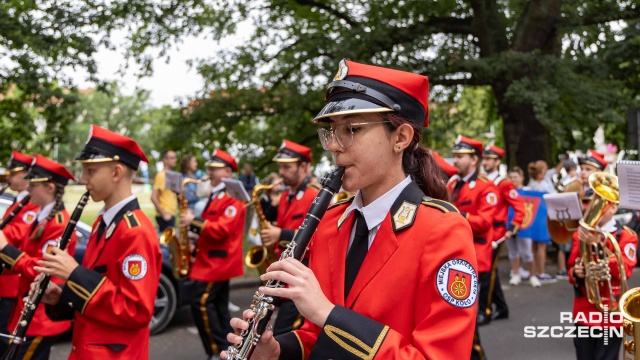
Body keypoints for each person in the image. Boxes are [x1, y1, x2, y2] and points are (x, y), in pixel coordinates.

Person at [224, 59, 478, 359]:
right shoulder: (332, 222)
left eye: (352, 129)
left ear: (401, 138)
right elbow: (317, 336)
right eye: (332, 131)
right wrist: (278, 351)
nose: (334, 145)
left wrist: (329, 314)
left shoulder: (442, 230)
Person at [32, 124, 162, 359]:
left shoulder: (135, 232)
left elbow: (136, 311)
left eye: (90, 171)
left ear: (116, 173)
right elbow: (102, 290)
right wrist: (63, 294)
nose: (83, 179)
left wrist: (75, 273)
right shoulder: (102, 222)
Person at [0, 154, 77, 359]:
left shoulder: (59, 224)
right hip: (27, 312)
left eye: (33, 184)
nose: (28, 188)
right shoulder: (42, 218)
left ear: (50, 188)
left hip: (40, 317)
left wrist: (5, 249)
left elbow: (42, 269)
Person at [180, 149, 246, 360]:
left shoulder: (232, 197)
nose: (209, 172)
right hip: (209, 257)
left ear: (227, 171)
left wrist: (193, 221)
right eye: (209, 168)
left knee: (200, 303)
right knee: (218, 306)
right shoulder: (215, 193)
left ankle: (216, 351)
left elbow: (222, 230)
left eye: (214, 169)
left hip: (218, 261)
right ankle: (228, 348)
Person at [568, 181, 637, 360]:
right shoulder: (580, 234)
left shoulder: (626, 235)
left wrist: (596, 244)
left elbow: (625, 271)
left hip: (610, 313)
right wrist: (576, 273)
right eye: (590, 203)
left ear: (613, 207)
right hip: (584, 311)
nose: (591, 208)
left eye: (598, 203)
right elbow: (571, 268)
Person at [258, 139, 319, 335]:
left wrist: (280, 234)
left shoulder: (314, 196)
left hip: (302, 275)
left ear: (303, 166)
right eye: (280, 167)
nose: (281, 172)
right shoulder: (285, 196)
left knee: (287, 335)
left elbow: (318, 239)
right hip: (284, 274)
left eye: (287, 167)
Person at [449, 135, 499, 329]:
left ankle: (483, 314)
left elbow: (485, 222)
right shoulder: (453, 184)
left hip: (476, 249)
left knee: (475, 294)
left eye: (460, 156)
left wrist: (457, 215)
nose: (455, 160)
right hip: (454, 247)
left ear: (473, 159)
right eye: (455, 155)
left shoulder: (486, 186)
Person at [0, 151, 40, 354]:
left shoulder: (32, 203)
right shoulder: (18, 201)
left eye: (14, 173)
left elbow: (18, 234)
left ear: (25, 174)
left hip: (12, 281)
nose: (9, 177)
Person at [481, 144, 526, 323]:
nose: (486, 162)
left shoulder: (504, 183)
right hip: (484, 230)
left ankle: (486, 311)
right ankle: (501, 307)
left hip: (497, 234)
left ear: (497, 161)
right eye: (484, 158)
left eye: (489, 159)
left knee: (486, 272)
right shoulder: (482, 180)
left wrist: (512, 229)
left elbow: (520, 207)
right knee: (489, 271)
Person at [526, 161, 556, 285]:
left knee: (533, 246)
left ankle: (533, 271)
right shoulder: (543, 185)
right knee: (542, 246)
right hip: (543, 216)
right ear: (541, 172)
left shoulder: (531, 184)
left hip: (533, 216)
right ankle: (541, 272)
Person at [506, 167, 534, 285]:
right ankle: (516, 274)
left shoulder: (529, 191)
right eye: (511, 177)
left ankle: (533, 275)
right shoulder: (506, 191)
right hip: (509, 225)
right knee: (513, 251)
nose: (513, 180)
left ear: (522, 178)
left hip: (524, 226)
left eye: (515, 177)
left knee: (527, 253)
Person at [151, 149, 178, 232]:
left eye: (175, 157)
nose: (175, 160)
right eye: (172, 158)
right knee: (166, 244)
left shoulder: (170, 174)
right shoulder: (162, 175)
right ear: (165, 160)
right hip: (166, 216)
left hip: (171, 214)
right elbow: (153, 197)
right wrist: (164, 214)